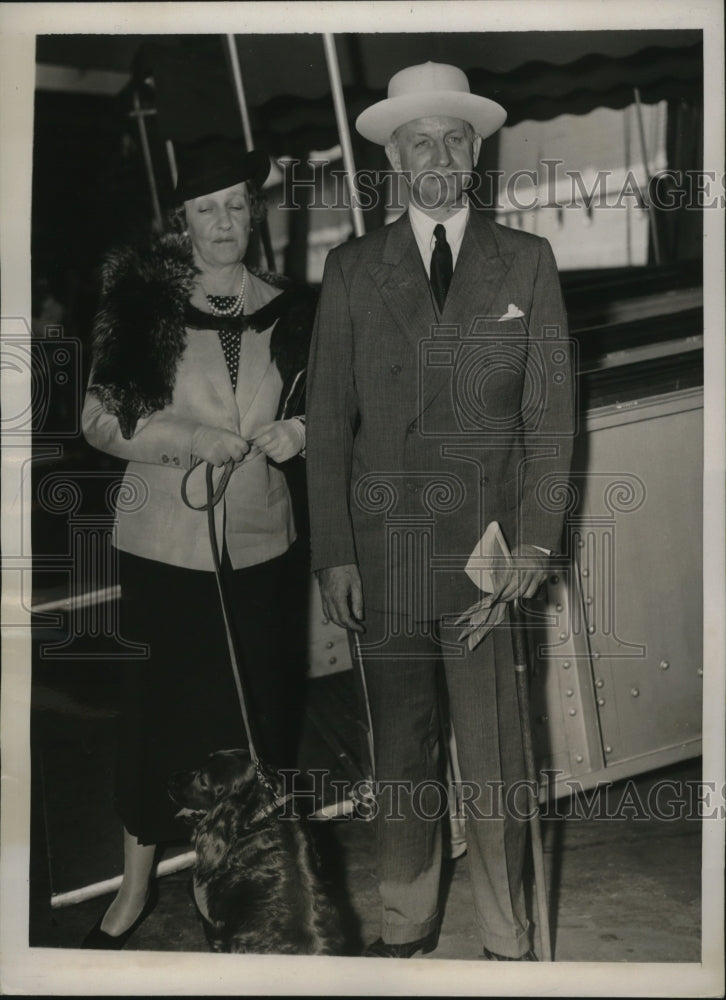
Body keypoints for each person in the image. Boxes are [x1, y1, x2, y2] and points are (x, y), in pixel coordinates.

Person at [305, 62, 574, 959]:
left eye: (455, 138)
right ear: (392, 158)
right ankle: (405, 920)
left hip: (486, 556)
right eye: (421, 141)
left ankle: (506, 933)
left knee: (495, 753)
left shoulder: (525, 262)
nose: (441, 156)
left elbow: (551, 417)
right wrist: (333, 553)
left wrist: (537, 539)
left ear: (476, 150)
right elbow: (329, 426)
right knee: (403, 752)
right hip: (384, 555)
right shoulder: (350, 271)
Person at [80, 137, 316, 948]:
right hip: (164, 552)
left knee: (253, 726)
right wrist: (188, 439)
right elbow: (101, 420)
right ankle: (134, 892)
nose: (225, 222)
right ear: (180, 224)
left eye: (238, 205)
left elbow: (331, 401)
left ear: (255, 212)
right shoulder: (142, 303)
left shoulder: (291, 304)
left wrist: (299, 429)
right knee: (156, 720)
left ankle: (240, 887)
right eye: (206, 209)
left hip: (259, 548)